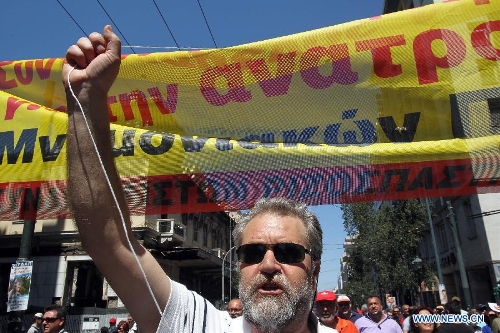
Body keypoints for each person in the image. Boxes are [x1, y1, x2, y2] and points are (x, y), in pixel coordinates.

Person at [63, 25, 337, 333]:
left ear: (314, 268)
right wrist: (87, 98)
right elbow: (108, 239)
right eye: (252, 253)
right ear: (239, 266)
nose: (269, 265)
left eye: (288, 252)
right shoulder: (200, 324)